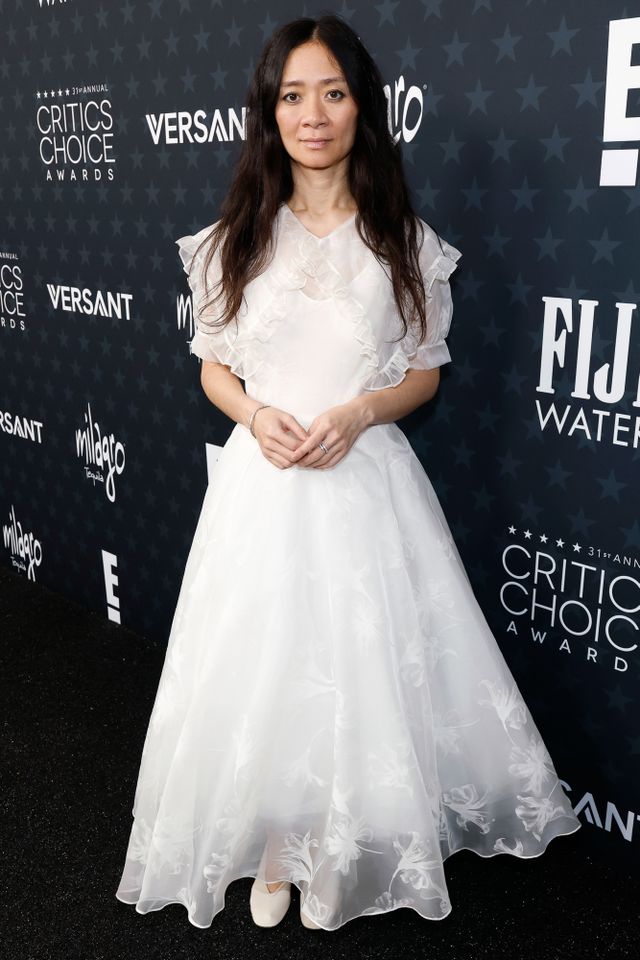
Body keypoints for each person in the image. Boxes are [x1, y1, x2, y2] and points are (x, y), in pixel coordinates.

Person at [115, 13, 581, 934]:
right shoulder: (233, 239)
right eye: (293, 96)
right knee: (269, 661)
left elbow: (424, 373)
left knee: (360, 666)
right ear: (269, 111)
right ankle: (276, 841)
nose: (313, 115)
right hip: (264, 483)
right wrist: (257, 416)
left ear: (362, 108)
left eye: (332, 93)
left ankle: (340, 837)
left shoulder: (403, 240)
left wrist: (362, 412)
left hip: (367, 481)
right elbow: (214, 367)